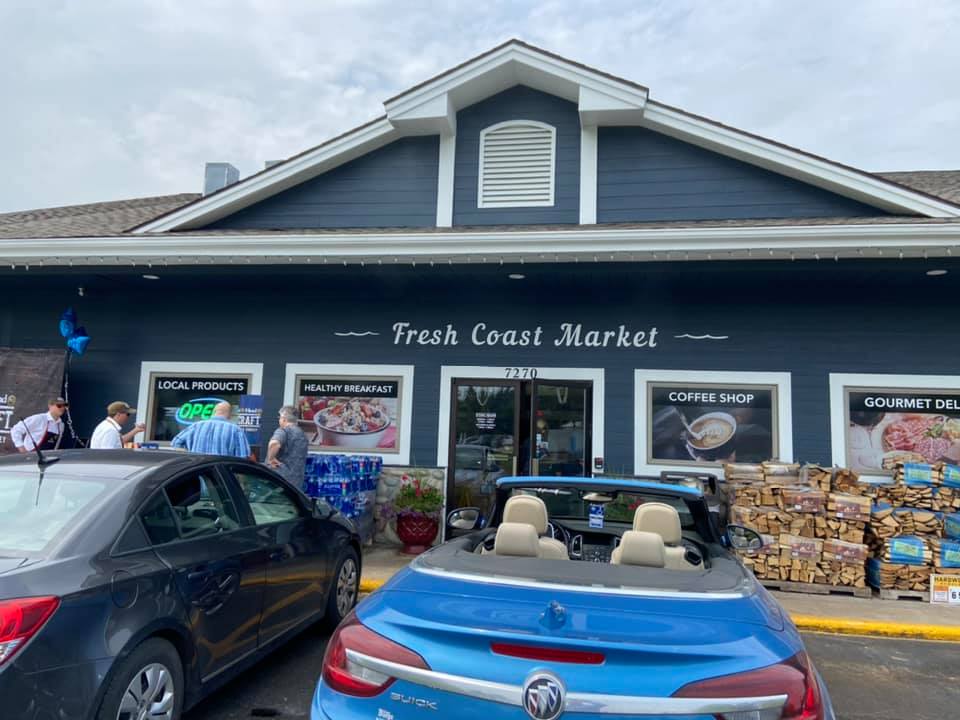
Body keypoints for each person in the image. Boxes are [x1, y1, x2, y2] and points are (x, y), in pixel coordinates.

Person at [171, 401, 252, 458]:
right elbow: (243, 455)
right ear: (230, 414)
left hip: (197, 471)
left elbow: (176, 442)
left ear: (214, 412)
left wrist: (189, 457)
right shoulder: (235, 430)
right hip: (220, 475)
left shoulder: (196, 426)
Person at [266, 405, 308, 485]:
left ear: (284, 419)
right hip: (296, 481)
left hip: (279, 479)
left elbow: (274, 444)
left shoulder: (283, 431)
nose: (279, 420)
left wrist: (270, 459)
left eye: (279, 417)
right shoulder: (303, 434)